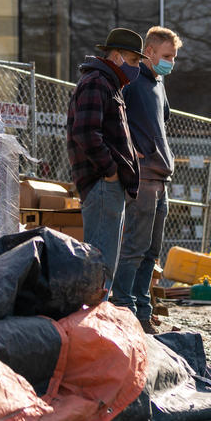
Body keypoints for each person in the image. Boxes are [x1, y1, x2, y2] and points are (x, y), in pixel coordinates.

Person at [111, 27, 182, 334]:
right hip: (143, 178)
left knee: (151, 250)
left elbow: (160, 119)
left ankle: (142, 311)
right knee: (135, 247)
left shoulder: (157, 83)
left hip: (160, 176)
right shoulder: (133, 78)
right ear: (149, 52)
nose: (171, 62)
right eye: (166, 56)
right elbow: (113, 114)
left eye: (174, 57)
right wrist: (130, 149)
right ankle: (125, 310)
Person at [66, 28, 144, 296]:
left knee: (102, 265)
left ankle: (95, 319)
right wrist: (110, 171)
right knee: (99, 266)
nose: (136, 68)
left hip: (106, 185)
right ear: (116, 56)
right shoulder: (98, 82)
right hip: (102, 184)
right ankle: (92, 323)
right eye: (134, 61)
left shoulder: (107, 83)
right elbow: (86, 133)